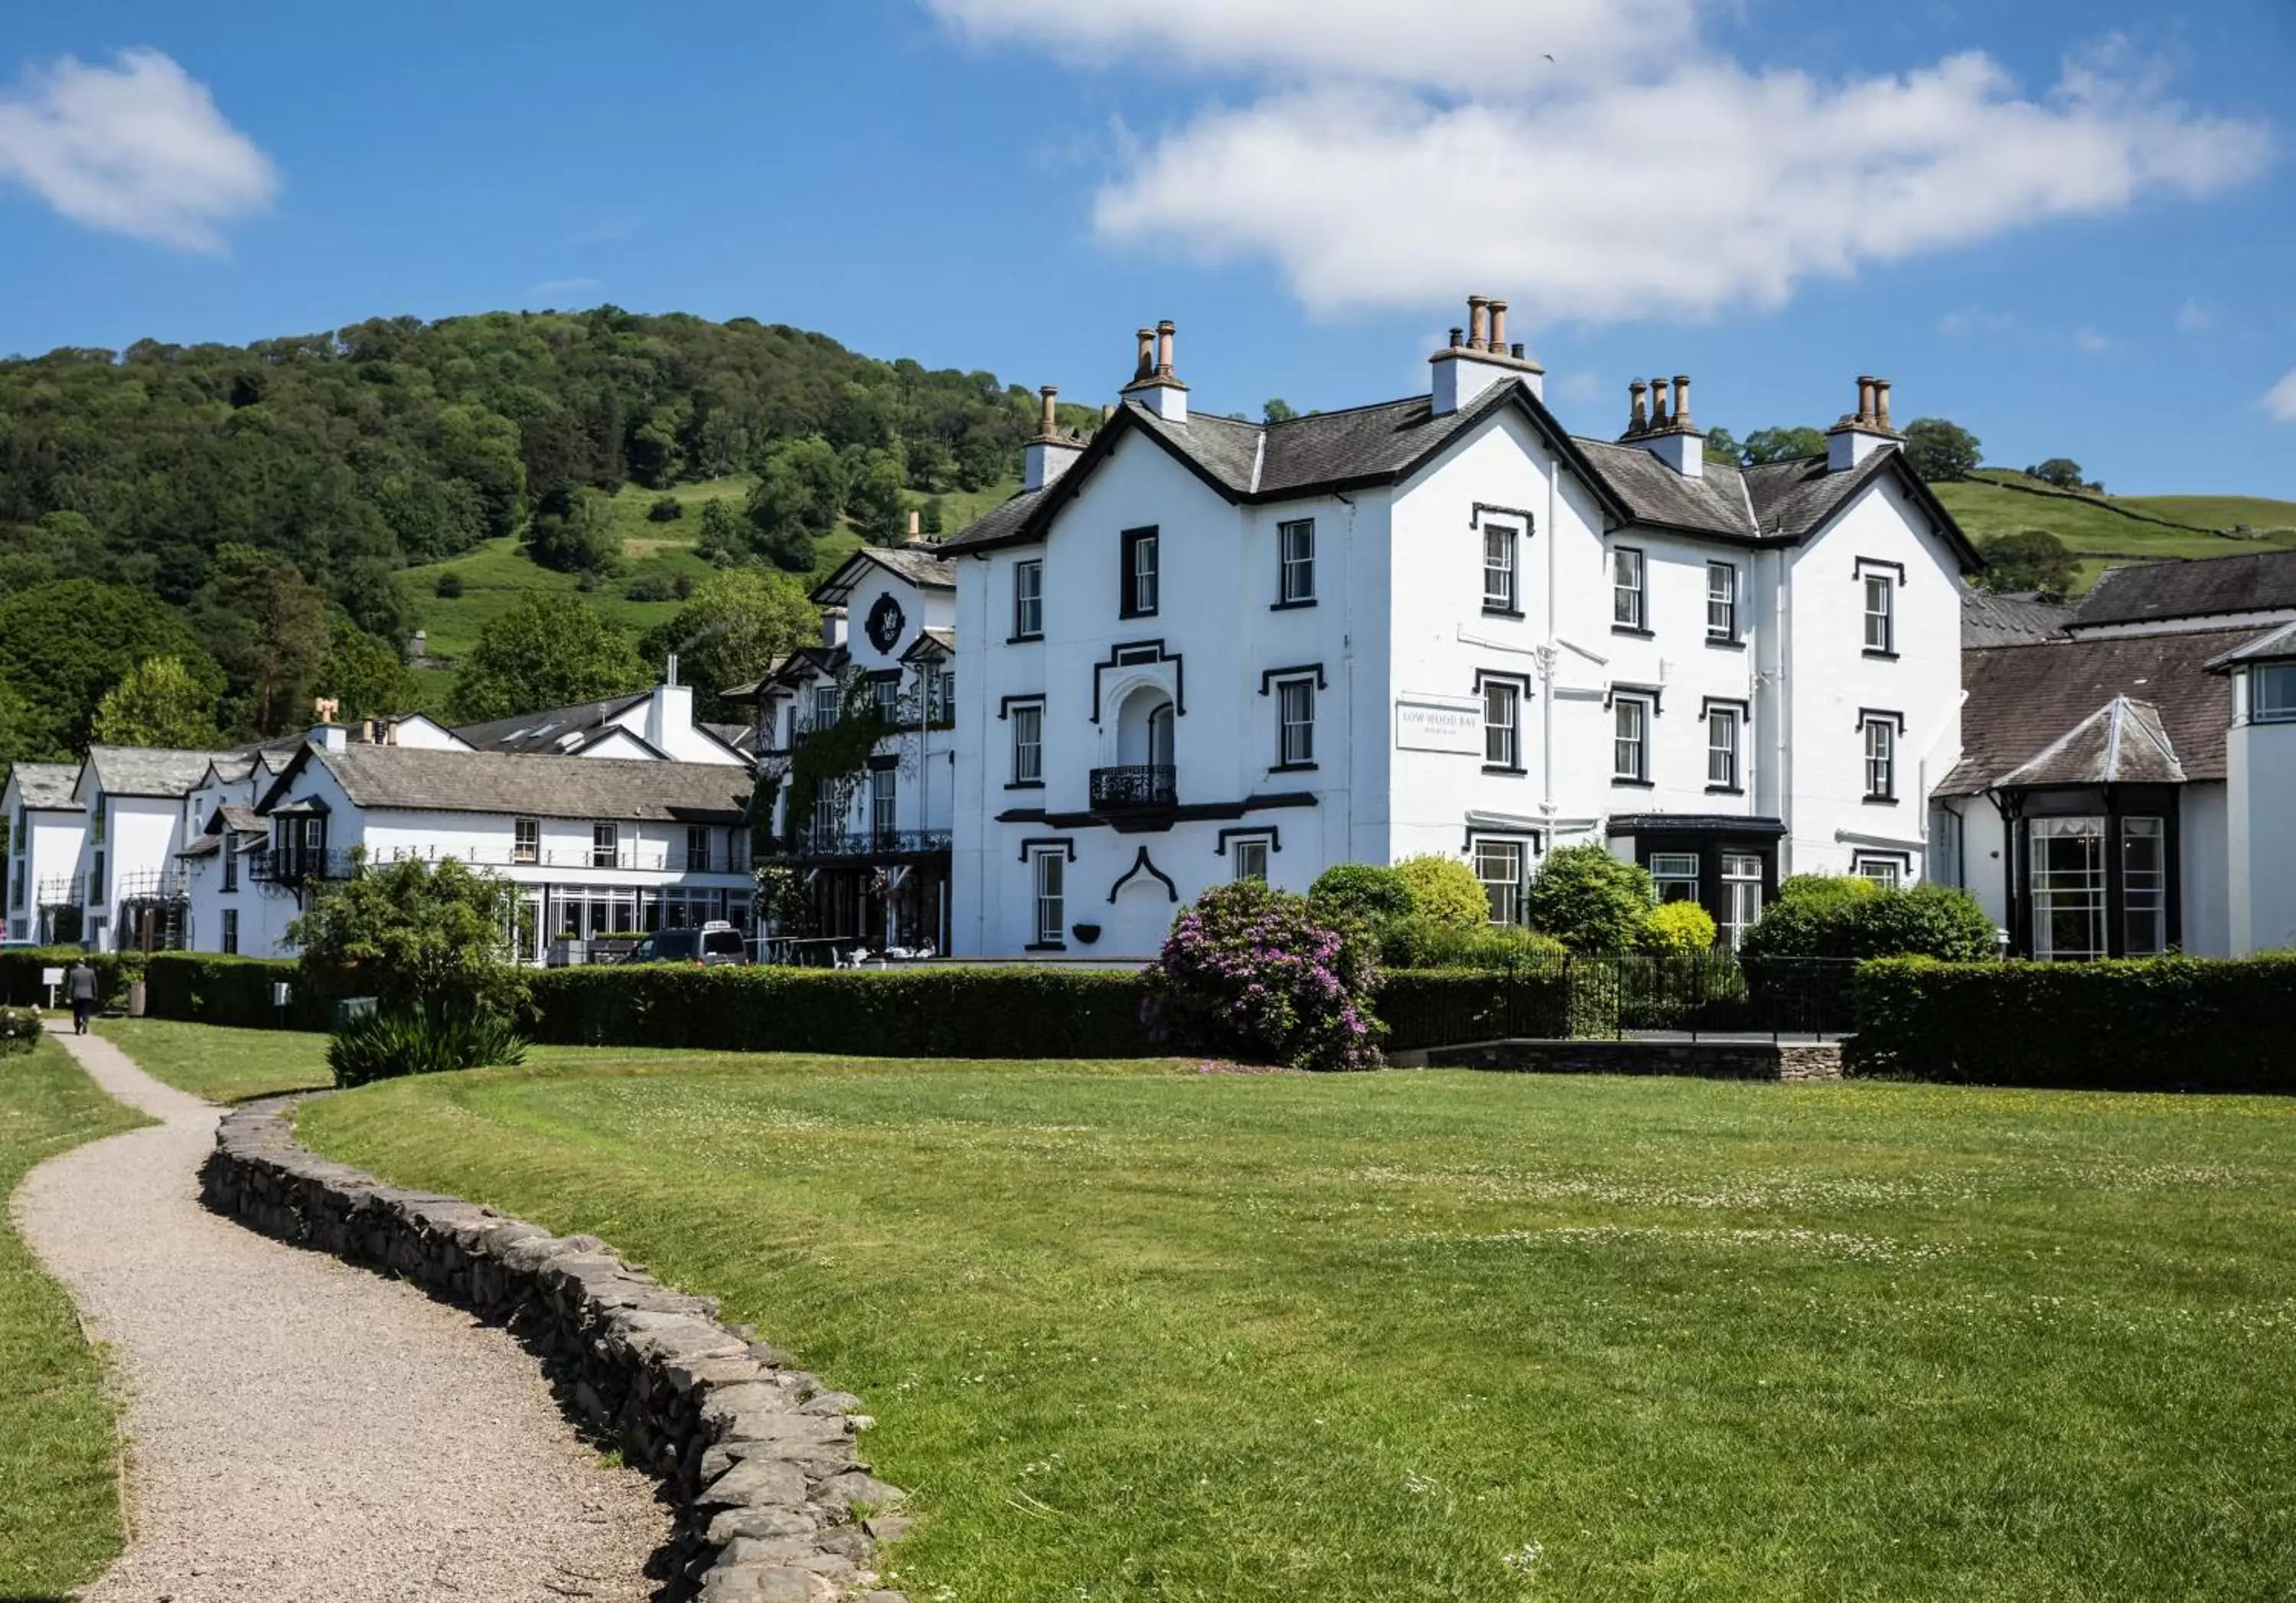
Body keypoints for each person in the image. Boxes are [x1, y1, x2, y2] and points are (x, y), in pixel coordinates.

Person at [66, 958, 98, 1036]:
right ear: (84, 963)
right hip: (88, 995)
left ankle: (78, 1028)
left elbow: (70, 986)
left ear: (77, 963)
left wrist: (69, 997)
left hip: (77, 995)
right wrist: (95, 994)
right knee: (86, 1011)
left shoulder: (73, 972)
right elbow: (94, 984)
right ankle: (85, 1021)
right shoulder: (91, 972)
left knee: (77, 1012)